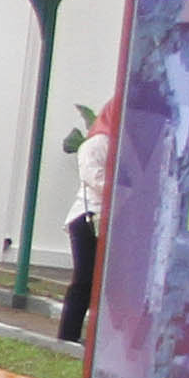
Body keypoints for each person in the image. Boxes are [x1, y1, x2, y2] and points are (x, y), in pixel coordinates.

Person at [59, 96, 117, 341]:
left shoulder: (122, 145)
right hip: (88, 219)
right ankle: (67, 336)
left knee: (104, 284)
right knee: (84, 279)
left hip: (110, 222)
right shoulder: (95, 145)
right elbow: (95, 180)